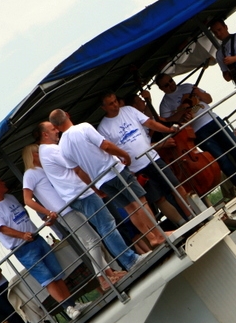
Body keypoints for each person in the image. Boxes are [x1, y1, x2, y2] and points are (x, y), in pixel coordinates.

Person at [35, 122, 146, 273]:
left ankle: (127, 261)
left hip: (75, 195)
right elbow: (77, 165)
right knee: (107, 225)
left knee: (104, 227)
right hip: (82, 193)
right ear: (45, 134)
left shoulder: (44, 152)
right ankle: (130, 260)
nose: (57, 131)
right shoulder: (52, 150)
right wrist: (94, 184)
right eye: (53, 129)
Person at [48, 109, 167, 249]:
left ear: (55, 126)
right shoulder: (83, 127)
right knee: (140, 202)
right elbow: (106, 145)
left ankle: (151, 238)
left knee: (130, 209)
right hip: (114, 171)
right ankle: (159, 235)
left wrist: (94, 187)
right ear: (68, 115)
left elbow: (78, 171)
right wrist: (125, 155)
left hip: (101, 182)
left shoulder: (62, 147)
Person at [22, 144, 126, 291]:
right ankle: (102, 278)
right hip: (64, 212)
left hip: (71, 205)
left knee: (90, 242)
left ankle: (108, 274)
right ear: (33, 156)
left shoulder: (43, 170)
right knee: (93, 240)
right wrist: (47, 212)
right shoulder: (30, 174)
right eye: (38, 152)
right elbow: (27, 200)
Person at [0, 176, 82, 320]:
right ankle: (68, 307)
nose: (4, 182)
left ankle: (72, 304)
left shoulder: (10, 197)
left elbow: (24, 214)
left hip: (36, 238)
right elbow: (2, 228)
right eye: (0, 181)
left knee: (56, 273)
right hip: (22, 247)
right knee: (47, 278)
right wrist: (22, 235)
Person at [97, 92, 191, 225]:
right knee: (158, 199)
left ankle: (192, 215)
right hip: (135, 169)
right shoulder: (103, 128)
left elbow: (149, 123)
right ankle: (182, 223)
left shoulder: (129, 110)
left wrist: (168, 130)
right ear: (103, 108)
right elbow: (110, 152)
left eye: (115, 101)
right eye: (111, 104)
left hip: (152, 158)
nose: (115, 105)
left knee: (176, 186)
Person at [156, 72, 236, 192]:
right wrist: (183, 110)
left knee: (235, 147)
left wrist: (199, 94)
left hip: (213, 120)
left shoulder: (187, 86)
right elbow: (168, 122)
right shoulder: (165, 104)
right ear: (161, 88)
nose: (171, 85)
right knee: (221, 158)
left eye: (171, 81)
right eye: (166, 85)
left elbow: (209, 99)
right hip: (198, 130)